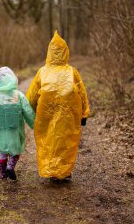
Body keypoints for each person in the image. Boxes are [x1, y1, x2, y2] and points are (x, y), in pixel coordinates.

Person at [26, 31, 90, 181]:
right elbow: (82, 93)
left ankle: (52, 170)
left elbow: (31, 96)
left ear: (49, 52)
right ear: (65, 52)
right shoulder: (72, 72)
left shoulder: (42, 72)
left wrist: (31, 112)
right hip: (68, 115)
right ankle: (63, 172)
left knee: (48, 141)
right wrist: (84, 114)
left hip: (45, 114)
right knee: (66, 142)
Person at [0, 66, 35, 181]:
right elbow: (28, 111)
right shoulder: (19, 95)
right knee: (16, 150)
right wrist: (34, 123)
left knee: (2, 151)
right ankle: (10, 166)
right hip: (15, 130)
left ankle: (2, 173)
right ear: (13, 78)